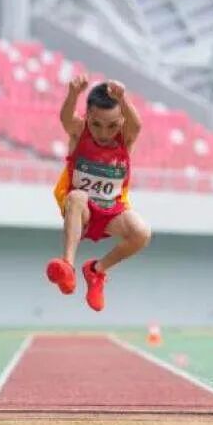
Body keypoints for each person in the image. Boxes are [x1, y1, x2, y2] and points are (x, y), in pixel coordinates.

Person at [45, 75, 151, 312]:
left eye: (112, 126)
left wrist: (123, 98)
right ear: (87, 117)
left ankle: (96, 271)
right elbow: (66, 119)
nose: (104, 133)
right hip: (80, 212)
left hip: (111, 211)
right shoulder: (79, 133)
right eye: (97, 124)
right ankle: (67, 268)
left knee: (142, 233)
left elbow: (137, 126)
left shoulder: (125, 139)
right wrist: (73, 94)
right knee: (77, 196)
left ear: (121, 121)